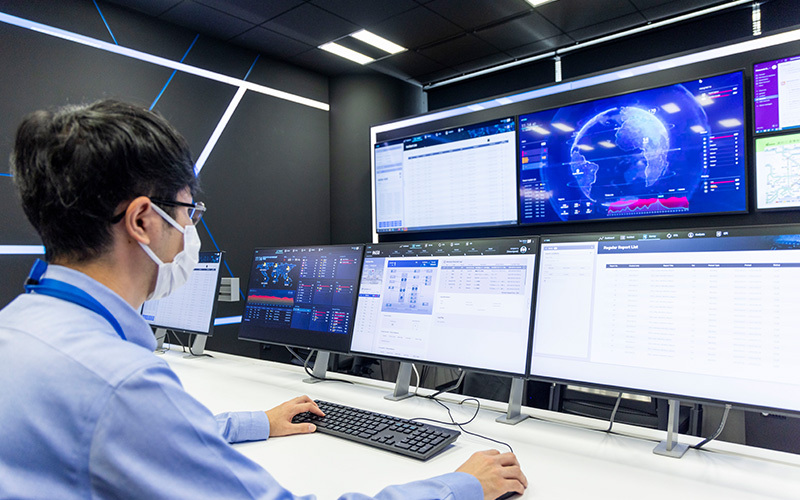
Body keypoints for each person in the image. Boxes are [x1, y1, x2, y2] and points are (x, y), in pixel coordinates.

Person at [0, 99, 527, 500]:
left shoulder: (20, 328)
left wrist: (260, 421)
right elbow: (139, 419)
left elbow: (157, 437)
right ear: (142, 220)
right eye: (189, 213)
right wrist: (460, 486)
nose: (190, 230)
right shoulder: (123, 383)